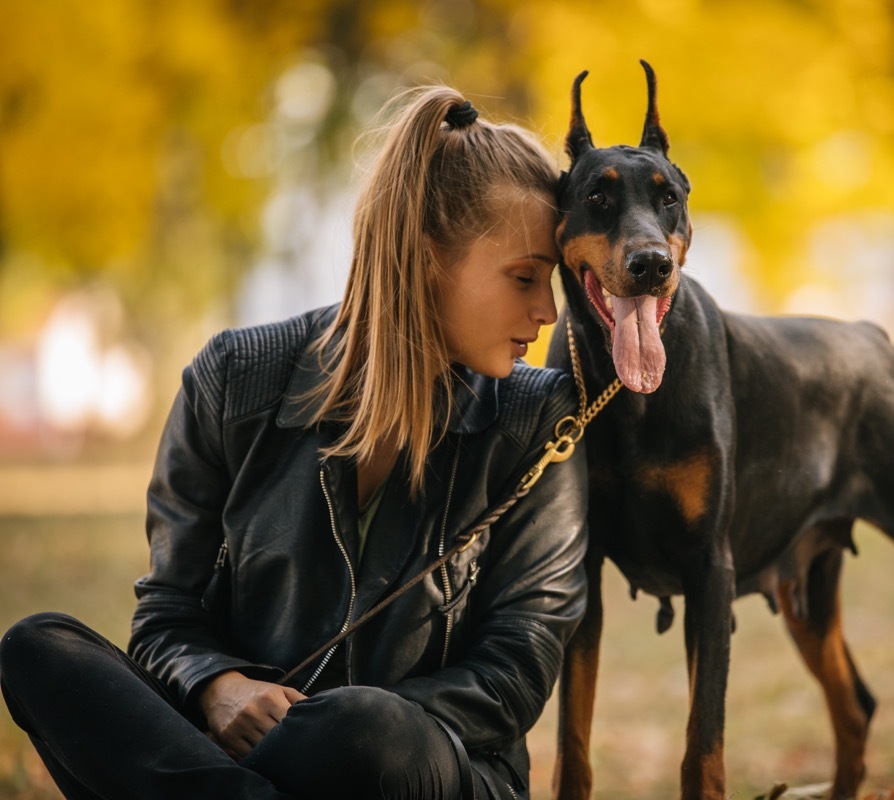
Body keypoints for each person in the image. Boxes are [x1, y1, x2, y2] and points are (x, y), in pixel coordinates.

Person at [0, 86, 588, 800]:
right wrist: (217, 688)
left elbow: (512, 674)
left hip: (424, 767)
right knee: (39, 648)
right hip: (233, 751)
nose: (546, 310)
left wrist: (312, 729)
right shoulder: (232, 382)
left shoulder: (538, 422)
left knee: (366, 727)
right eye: (525, 277)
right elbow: (166, 617)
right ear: (426, 257)